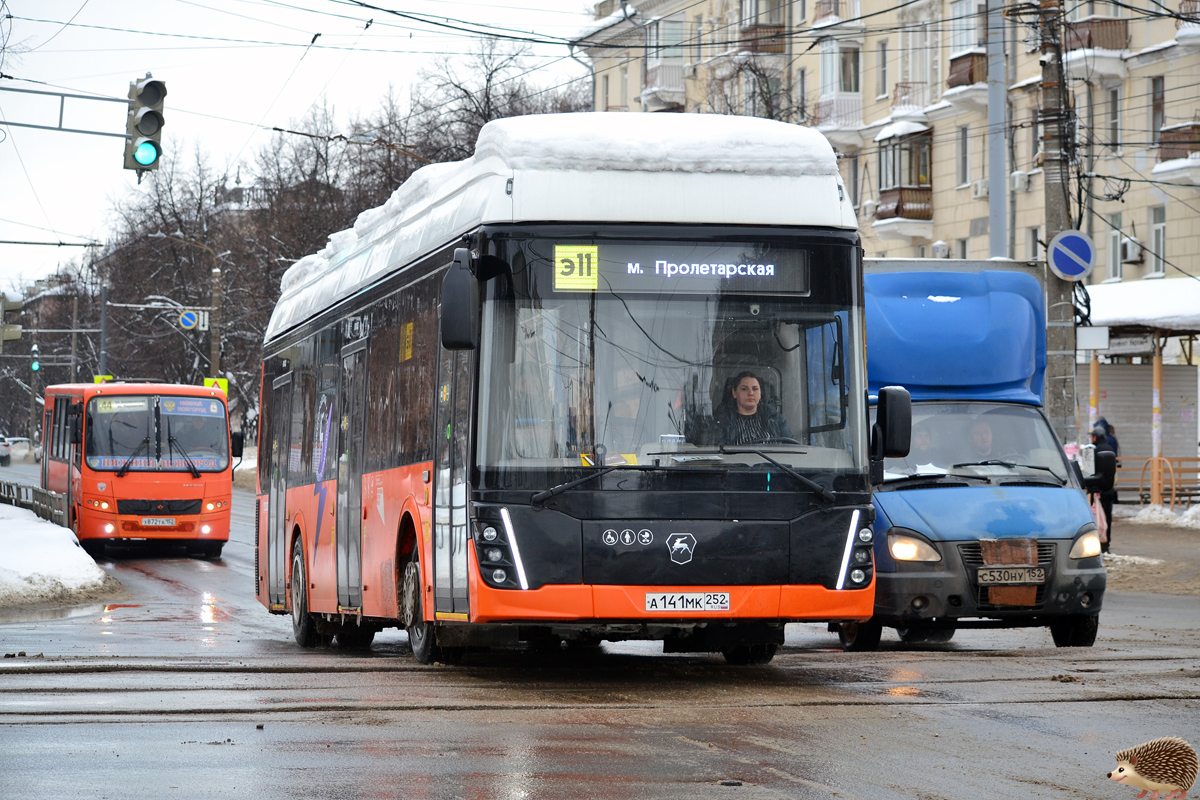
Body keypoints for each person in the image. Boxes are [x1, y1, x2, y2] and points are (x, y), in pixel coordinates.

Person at [715, 371, 793, 446]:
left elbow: (791, 447)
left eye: (755, 389)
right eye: (744, 389)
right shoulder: (723, 421)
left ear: (760, 394)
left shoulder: (774, 417)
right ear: (734, 393)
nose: (751, 393)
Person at [1091, 422, 1116, 553]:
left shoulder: (1094, 450)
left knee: (1097, 517)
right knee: (1107, 517)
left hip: (1098, 490)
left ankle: (1098, 543)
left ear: (1095, 437)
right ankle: (1106, 544)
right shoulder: (1109, 448)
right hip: (1110, 489)